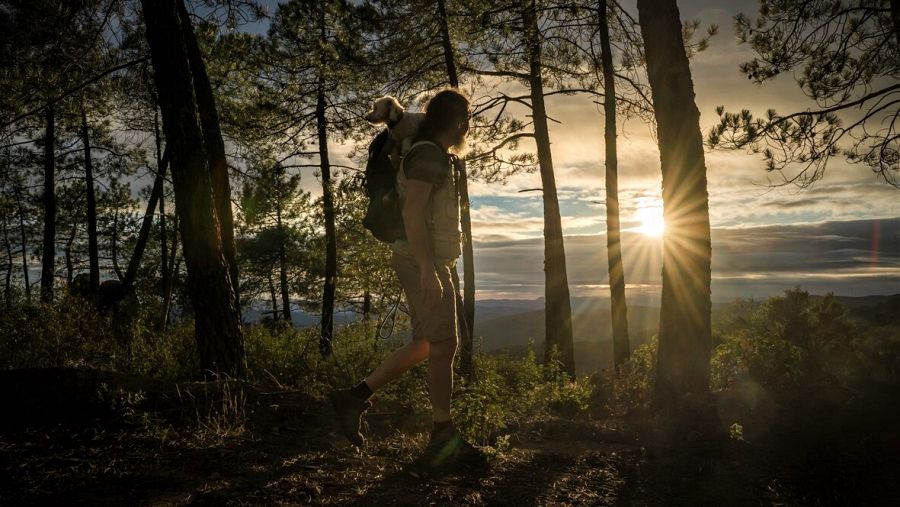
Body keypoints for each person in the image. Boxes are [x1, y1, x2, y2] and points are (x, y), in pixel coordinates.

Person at [329, 88, 482, 469]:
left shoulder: (429, 151)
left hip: (420, 258)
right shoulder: (429, 154)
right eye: (467, 119)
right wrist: (429, 268)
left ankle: (352, 398)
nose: (468, 125)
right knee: (445, 344)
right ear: (459, 121)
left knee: (428, 343)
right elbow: (413, 214)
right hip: (421, 261)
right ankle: (442, 438)